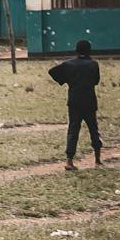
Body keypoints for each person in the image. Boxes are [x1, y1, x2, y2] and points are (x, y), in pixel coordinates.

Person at [48, 39, 103, 170]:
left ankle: (69, 161)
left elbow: (52, 71)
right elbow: (96, 81)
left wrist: (65, 80)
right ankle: (97, 159)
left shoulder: (69, 64)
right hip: (89, 101)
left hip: (74, 101)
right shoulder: (93, 64)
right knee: (93, 129)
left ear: (77, 50)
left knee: (73, 130)